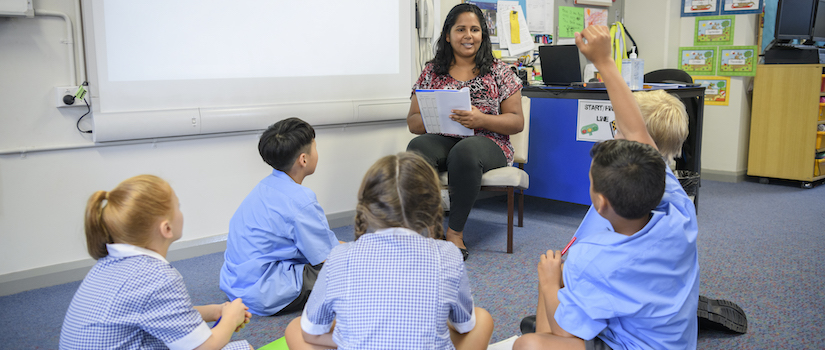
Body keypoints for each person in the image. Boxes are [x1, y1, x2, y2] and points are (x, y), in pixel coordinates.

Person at [513, 25, 700, 350]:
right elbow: (638, 132)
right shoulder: (680, 211)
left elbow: (563, 336)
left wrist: (549, 284)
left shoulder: (591, 258)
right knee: (556, 283)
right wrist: (605, 62)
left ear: (599, 202)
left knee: (528, 342)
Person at [284, 152, 495, 350]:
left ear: (367, 206)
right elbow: (464, 326)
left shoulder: (339, 256)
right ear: (431, 206)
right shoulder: (449, 254)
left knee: (295, 328)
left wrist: (344, 338)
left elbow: (311, 333)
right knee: (482, 319)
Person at [59, 175, 253, 350]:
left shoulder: (109, 264)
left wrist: (215, 311)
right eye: (178, 206)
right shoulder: (156, 277)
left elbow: (160, 313)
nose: (181, 212)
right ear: (166, 228)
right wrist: (229, 319)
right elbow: (203, 347)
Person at [406, 3, 524, 260]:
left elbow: (516, 122)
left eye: (475, 29)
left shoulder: (499, 71)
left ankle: (455, 234)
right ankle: (431, 228)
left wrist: (480, 119)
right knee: (417, 149)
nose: (468, 36)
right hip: (444, 137)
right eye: (461, 29)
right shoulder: (431, 72)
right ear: (448, 35)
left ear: (483, 35)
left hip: (489, 141)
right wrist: (436, 117)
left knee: (465, 151)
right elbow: (413, 123)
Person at [220, 118, 339, 316]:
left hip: (235, 285)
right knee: (349, 268)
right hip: (263, 294)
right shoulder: (302, 200)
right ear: (303, 159)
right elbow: (328, 258)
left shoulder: (263, 187)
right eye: (315, 148)